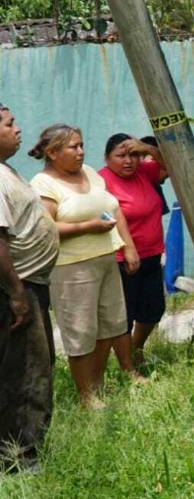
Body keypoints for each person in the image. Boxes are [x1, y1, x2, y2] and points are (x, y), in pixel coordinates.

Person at [29, 124, 143, 408]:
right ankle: (86, 396)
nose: (81, 152)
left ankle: (98, 385)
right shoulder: (43, 184)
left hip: (106, 258)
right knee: (81, 331)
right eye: (73, 147)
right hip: (72, 267)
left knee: (109, 325)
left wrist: (127, 246)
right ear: (53, 152)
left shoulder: (90, 173)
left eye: (81, 145)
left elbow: (114, 209)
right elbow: (47, 228)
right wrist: (89, 227)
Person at [0, 105, 58, 470]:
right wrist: (17, 293)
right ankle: (20, 459)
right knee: (26, 373)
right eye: (9, 124)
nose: (18, 129)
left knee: (30, 367)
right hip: (16, 292)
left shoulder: (6, 170)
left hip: (26, 287)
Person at [99, 134, 168, 367]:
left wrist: (148, 148)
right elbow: (104, 216)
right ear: (107, 157)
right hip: (122, 258)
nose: (128, 161)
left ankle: (136, 350)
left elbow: (172, 166)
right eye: (121, 155)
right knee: (124, 315)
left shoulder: (144, 173)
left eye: (134, 155)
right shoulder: (101, 181)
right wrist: (126, 248)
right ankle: (126, 366)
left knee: (153, 309)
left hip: (151, 253)